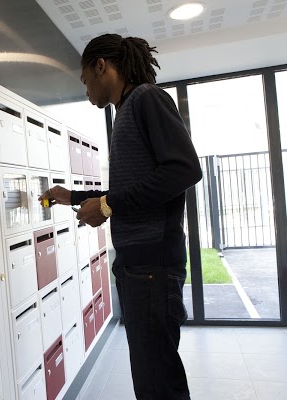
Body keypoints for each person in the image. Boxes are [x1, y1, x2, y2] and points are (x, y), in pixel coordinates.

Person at [39, 34, 202, 400]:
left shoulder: (146, 98)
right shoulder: (127, 109)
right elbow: (134, 187)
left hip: (151, 267)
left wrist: (108, 205)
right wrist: (73, 197)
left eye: (84, 80)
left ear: (101, 66)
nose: (86, 91)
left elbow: (184, 169)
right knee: (153, 379)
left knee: (156, 383)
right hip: (139, 267)